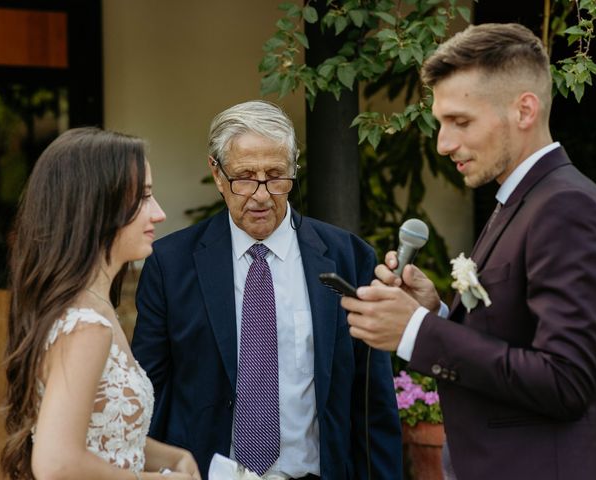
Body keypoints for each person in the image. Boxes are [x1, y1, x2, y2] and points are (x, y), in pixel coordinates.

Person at [343, 23, 596, 480]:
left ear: (524, 110)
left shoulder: (566, 206)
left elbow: (566, 380)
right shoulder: (520, 200)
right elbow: (514, 339)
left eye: (460, 122)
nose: (443, 144)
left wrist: (417, 331)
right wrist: (436, 313)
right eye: (441, 123)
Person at [132, 100, 402, 479]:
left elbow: (371, 399)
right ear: (217, 172)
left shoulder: (347, 257)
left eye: (276, 176)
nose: (261, 195)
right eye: (245, 176)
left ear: (294, 170)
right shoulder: (170, 263)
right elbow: (150, 396)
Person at [1, 127, 201, 480]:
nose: (158, 213)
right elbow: (57, 462)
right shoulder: (86, 326)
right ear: (97, 206)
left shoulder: (92, 307)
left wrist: (175, 457)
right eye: (144, 197)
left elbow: (107, 434)